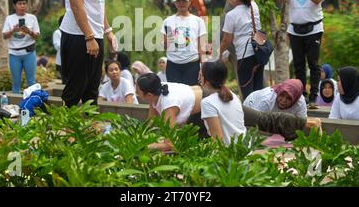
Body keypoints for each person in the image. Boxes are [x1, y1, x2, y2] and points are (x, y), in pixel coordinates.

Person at [136, 73, 321, 151]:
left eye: (138, 91)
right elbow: (152, 125)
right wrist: (140, 138)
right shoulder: (156, 94)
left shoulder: (169, 103)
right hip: (199, 111)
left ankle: (309, 123)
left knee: (262, 120)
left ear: (148, 93)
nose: (136, 93)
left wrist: (143, 147)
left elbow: (169, 143)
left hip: (214, 103)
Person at [60, 0, 118, 108]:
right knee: (74, 89)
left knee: (92, 89)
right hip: (79, 36)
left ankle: (90, 132)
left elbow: (98, 3)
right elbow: (77, 5)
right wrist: (89, 37)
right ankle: (67, 133)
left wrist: (108, 31)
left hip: (95, 36)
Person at [279, 0, 326, 105]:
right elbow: (281, 0)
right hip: (295, 29)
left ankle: (313, 96)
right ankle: (301, 96)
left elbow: (318, 0)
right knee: (298, 64)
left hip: (314, 28)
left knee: (313, 63)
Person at [219, 0, 263, 99]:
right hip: (259, 52)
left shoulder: (231, 15)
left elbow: (226, 40)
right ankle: (260, 115)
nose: (227, 0)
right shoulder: (254, 6)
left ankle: (250, 116)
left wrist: (218, 54)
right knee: (258, 89)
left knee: (247, 91)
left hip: (245, 55)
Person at [161, 0, 207, 85]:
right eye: (178, 1)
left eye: (184, 0)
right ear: (174, 2)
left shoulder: (198, 21)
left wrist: (203, 68)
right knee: (175, 96)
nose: (181, 3)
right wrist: (166, 42)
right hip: (173, 65)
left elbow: (202, 47)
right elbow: (165, 46)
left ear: (190, 1)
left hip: (192, 64)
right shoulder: (167, 21)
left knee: (192, 94)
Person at [200, 61, 246, 145]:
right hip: (245, 149)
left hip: (230, 154)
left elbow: (218, 141)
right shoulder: (233, 96)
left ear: (205, 79)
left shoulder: (207, 103)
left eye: (201, 74)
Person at [2, 0, 40, 94]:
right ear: (14, 6)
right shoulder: (9, 19)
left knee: (31, 81)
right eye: (19, 4)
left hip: (29, 53)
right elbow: (4, 36)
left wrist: (29, 32)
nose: (22, 6)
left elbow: (37, 36)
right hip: (14, 54)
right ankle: (16, 105)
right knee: (16, 82)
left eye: (24, 3)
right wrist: (12, 31)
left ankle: (33, 105)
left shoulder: (32, 18)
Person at [244, 79, 308, 118]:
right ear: (278, 92)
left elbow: (302, 123)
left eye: (288, 98)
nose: (283, 100)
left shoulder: (300, 102)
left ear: (295, 99)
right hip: (252, 107)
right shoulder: (266, 99)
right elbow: (254, 121)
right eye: (282, 95)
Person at [53, 15, 64, 83]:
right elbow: (57, 46)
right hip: (61, 61)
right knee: (64, 80)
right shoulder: (57, 32)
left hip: (70, 60)